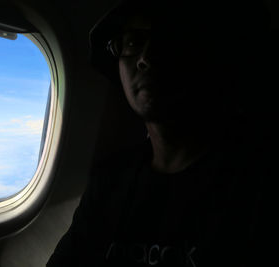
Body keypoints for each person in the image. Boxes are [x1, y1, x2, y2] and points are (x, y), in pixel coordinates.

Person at [47, 1, 274, 266]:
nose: (146, 58)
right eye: (133, 42)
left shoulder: (257, 182)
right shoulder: (111, 181)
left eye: (170, 39)